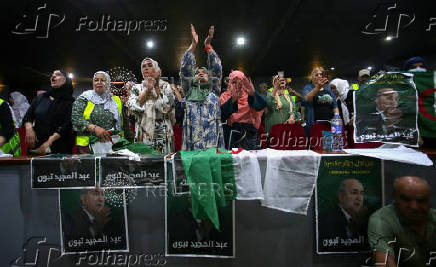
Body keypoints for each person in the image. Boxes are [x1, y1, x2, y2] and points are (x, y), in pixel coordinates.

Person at [368, 176, 436, 267]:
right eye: (406, 200)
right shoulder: (382, 220)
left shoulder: (433, 217)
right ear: (395, 198)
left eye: (421, 201)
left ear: (429, 201)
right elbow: (384, 262)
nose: (414, 207)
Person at [179, 24, 224, 151]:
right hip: (193, 143)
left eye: (203, 72)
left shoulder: (214, 91)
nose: (200, 73)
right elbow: (184, 70)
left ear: (210, 78)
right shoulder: (189, 91)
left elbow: (217, 69)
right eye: (197, 72)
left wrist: (208, 45)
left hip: (212, 143)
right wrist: (193, 45)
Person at [72, 71, 133, 154]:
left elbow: (125, 124)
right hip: (88, 147)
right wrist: (94, 128)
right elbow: (75, 118)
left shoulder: (116, 100)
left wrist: (131, 143)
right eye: (96, 80)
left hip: (114, 145)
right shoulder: (84, 98)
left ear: (108, 83)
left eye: (102, 80)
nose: (99, 82)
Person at [127, 58, 175, 153]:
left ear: (158, 71)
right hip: (143, 133)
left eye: (150, 65)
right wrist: (147, 91)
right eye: (143, 66)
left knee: (163, 162)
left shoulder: (166, 87)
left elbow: (166, 108)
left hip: (163, 132)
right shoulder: (136, 88)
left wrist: (156, 86)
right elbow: (133, 108)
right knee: (144, 164)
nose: (146, 68)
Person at [22, 70, 74, 155]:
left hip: (60, 147)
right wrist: (29, 128)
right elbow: (28, 115)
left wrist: (49, 141)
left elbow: (67, 124)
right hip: (38, 146)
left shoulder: (70, 102)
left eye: (57, 75)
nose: (53, 77)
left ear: (65, 80)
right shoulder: (41, 98)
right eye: (52, 75)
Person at [220, 70, 266, 150]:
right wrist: (233, 99)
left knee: (252, 161)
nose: (238, 85)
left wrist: (253, 94)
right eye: (234, 82)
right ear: (230, 82)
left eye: (240, 81)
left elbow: (261, 106)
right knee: (234, 161)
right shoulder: (225, 96)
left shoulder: (249, 94)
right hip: (232, 134)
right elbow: (222, 115)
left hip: (250, 136)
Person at [319, 178, 369, 251]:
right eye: (354, 192)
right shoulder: (327, 220)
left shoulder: (363, 219)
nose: (359, 198)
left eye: (361, 193)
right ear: (341, 196)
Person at [302, 67, 339, 135]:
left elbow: (335, 106)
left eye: (321, 74)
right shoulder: (308, 87)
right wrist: (317, 88)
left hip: (329, 124)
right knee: (317, 143)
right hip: (315, 123)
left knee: (328, 144)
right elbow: (306, 99)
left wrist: (337, 118)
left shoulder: (328, 89)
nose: (319, 76)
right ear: (313, 77)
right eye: (316, 75)